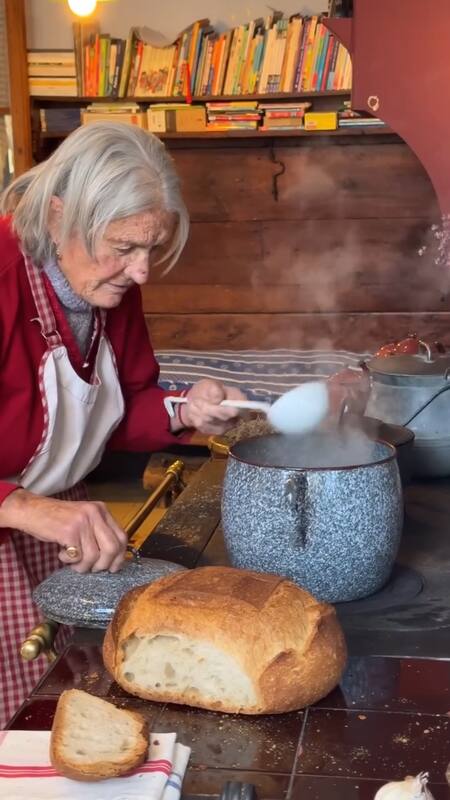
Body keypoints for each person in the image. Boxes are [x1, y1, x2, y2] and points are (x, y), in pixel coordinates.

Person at [0, 122, 245, 727]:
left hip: (60, 521)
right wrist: (29, 509)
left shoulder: (108, 284)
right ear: (58, 219)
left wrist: (183, 409)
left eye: (150, 248)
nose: (140, 273)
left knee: (70, 705)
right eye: (124, 247)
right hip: (23, 518)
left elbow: (121, 404)